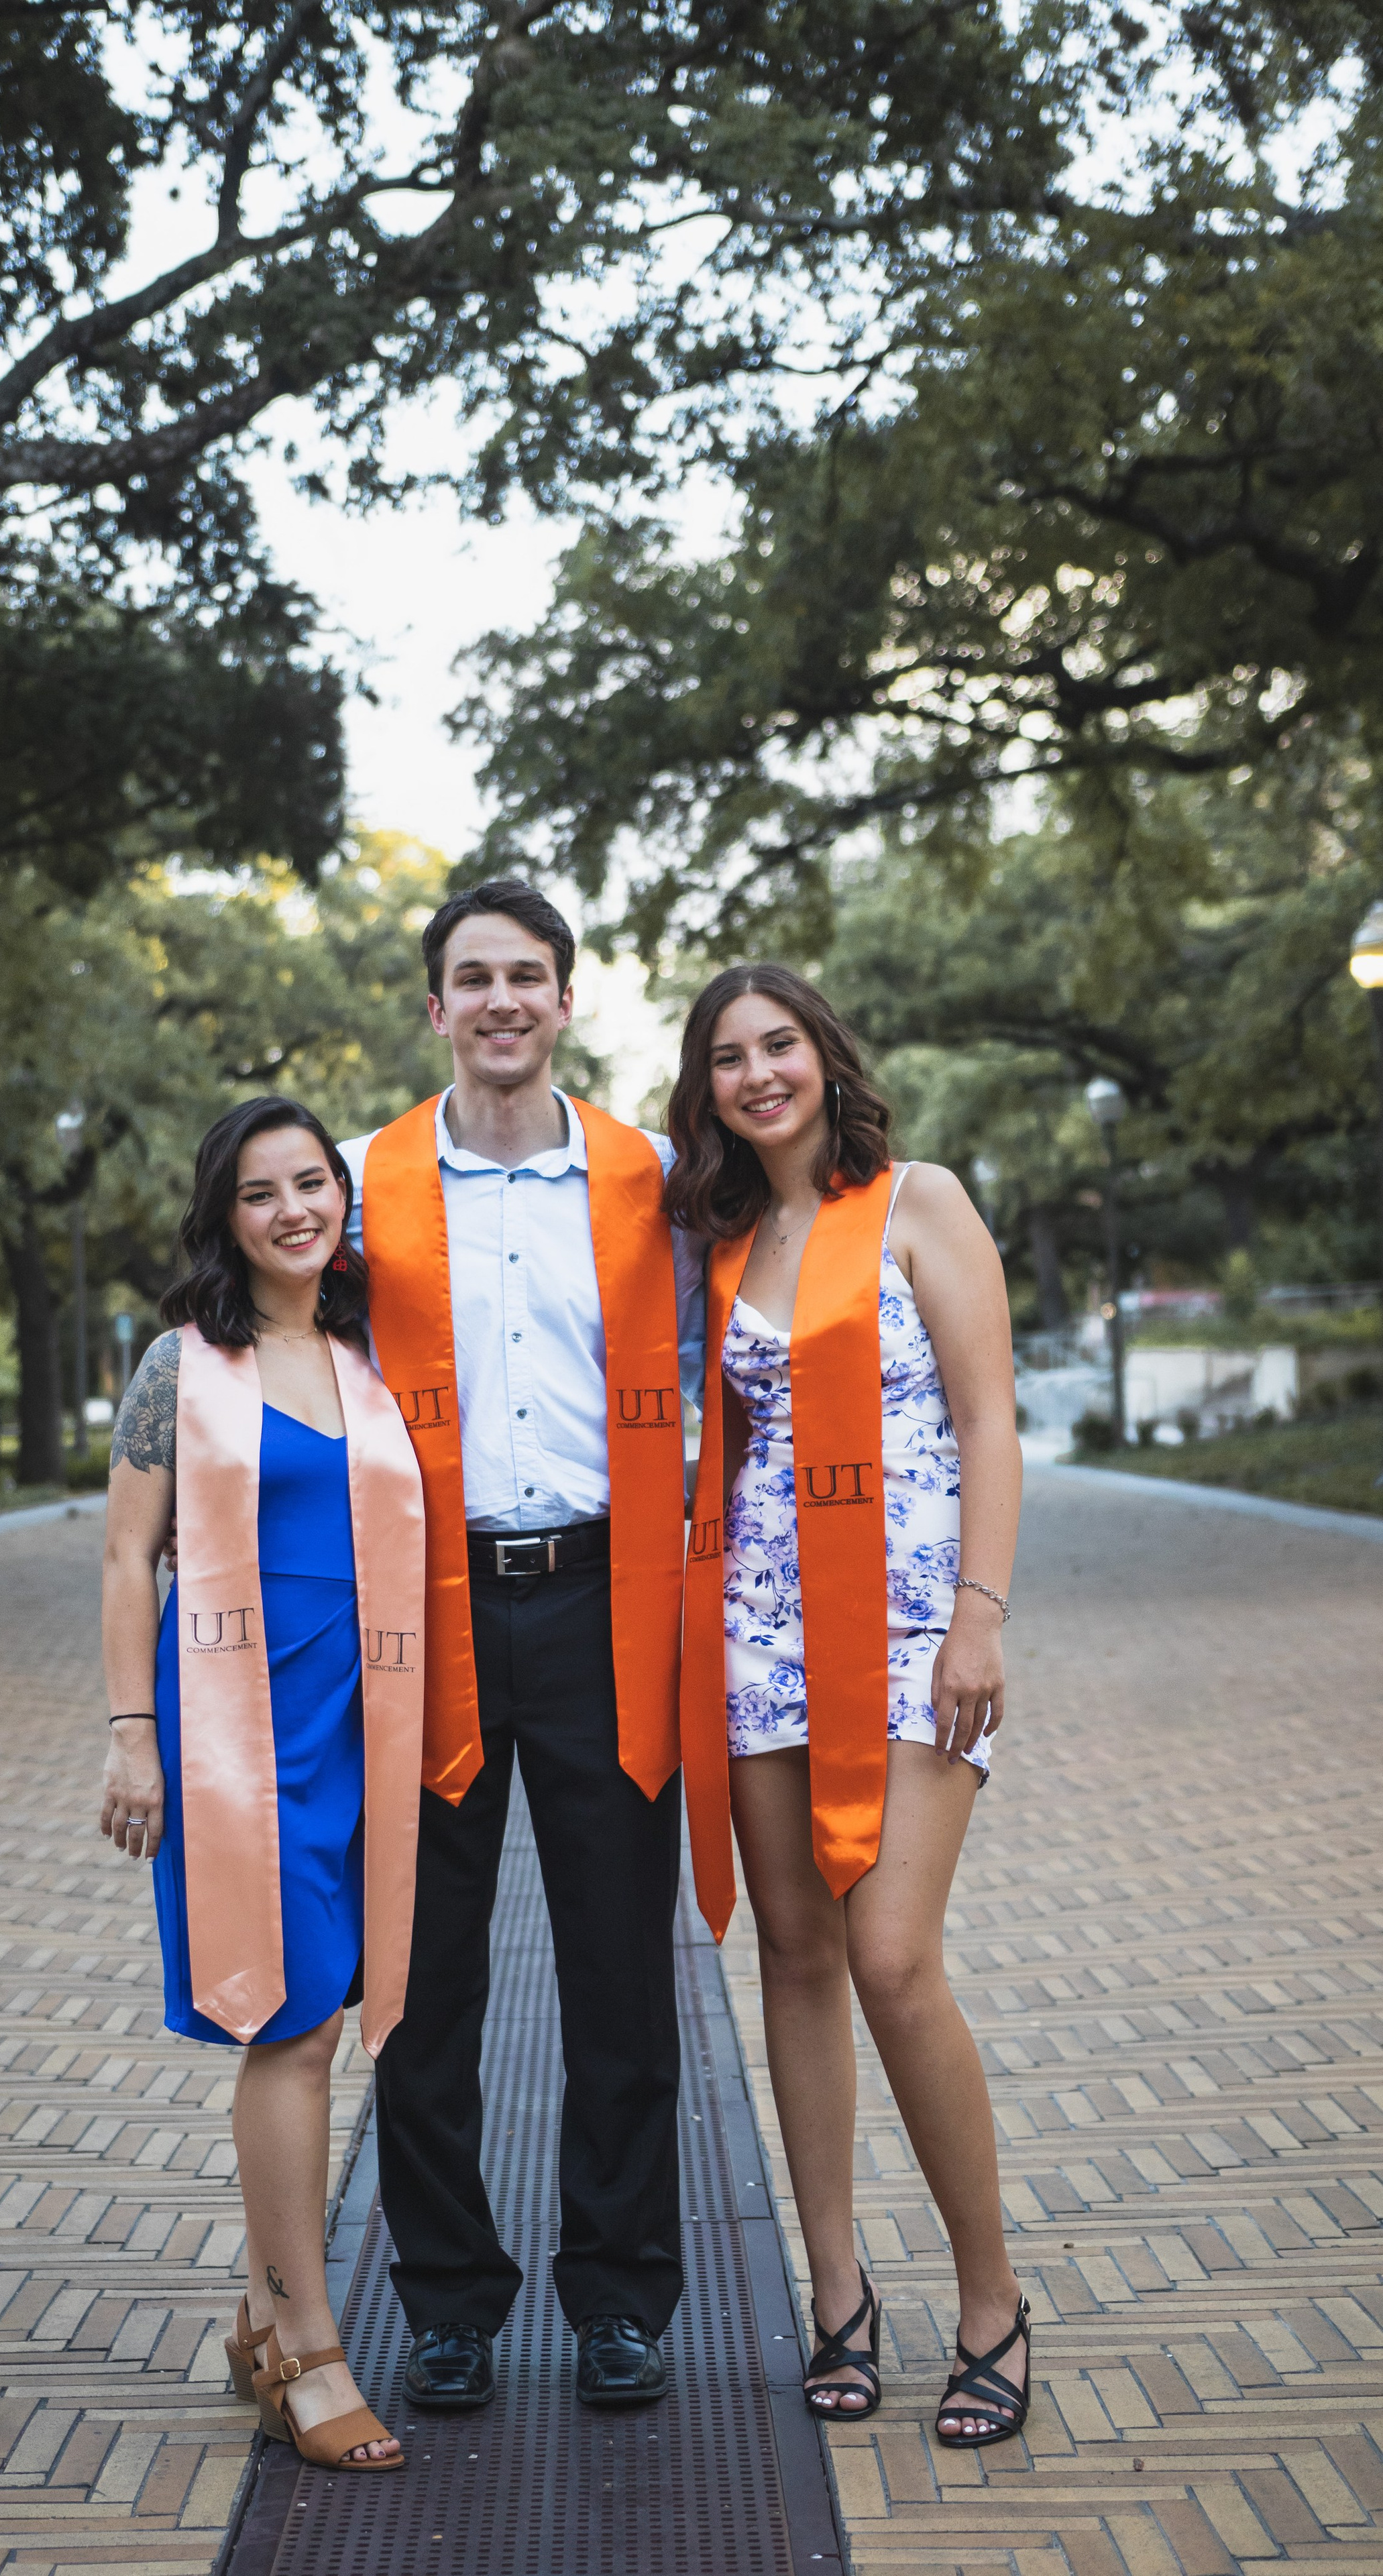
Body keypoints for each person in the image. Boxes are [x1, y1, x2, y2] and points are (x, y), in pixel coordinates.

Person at [339, 880, 704, 2413]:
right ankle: (447, 2301)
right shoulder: (360, 1184)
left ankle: (616, 2297)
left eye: (527, 977)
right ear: (433, 1007)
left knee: (619, 1967)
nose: (500, 1000)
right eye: (471, 977)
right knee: (424, 1978)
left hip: (607, 1601)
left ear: (565, 1001)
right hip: (425, 1608)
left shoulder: (655, 1176)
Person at [673, 963, 1030, 2449]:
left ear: (824, 1051)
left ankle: (991, 2301)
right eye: (727, 1059)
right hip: (757, 1628)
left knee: (892, 1955)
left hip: (906, 1625)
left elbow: (983, 1412)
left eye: (779, 1044)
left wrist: (978, 1616)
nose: (758, 1073)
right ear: (704, 1092)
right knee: (800, 1958)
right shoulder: (720, 1234)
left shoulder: (918, 1202)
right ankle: (834, 2294)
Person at [99, 1095, 425, 2473]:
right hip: (236, 1734)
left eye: (312, 1183)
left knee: (331, 2010)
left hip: (365, 1726)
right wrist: (131, 1734)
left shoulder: (363, 1358)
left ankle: (257, 2311)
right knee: (285, 2026)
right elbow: (128, 1558)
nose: (294, 1209)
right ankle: (308, 2345)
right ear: (222, 1216)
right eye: (259, 1192)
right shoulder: (183, 1365)